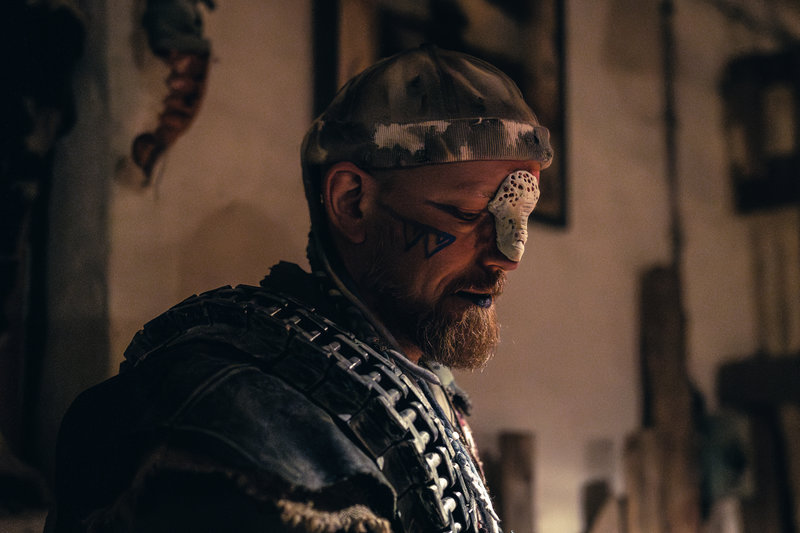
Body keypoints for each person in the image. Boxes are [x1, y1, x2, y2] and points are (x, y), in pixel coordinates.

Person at [48, 44, 553, 533]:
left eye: (520, 217)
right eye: (468, 213)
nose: (508, 256)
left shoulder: (429, 391)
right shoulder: (232, 419)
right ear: (352, 202)